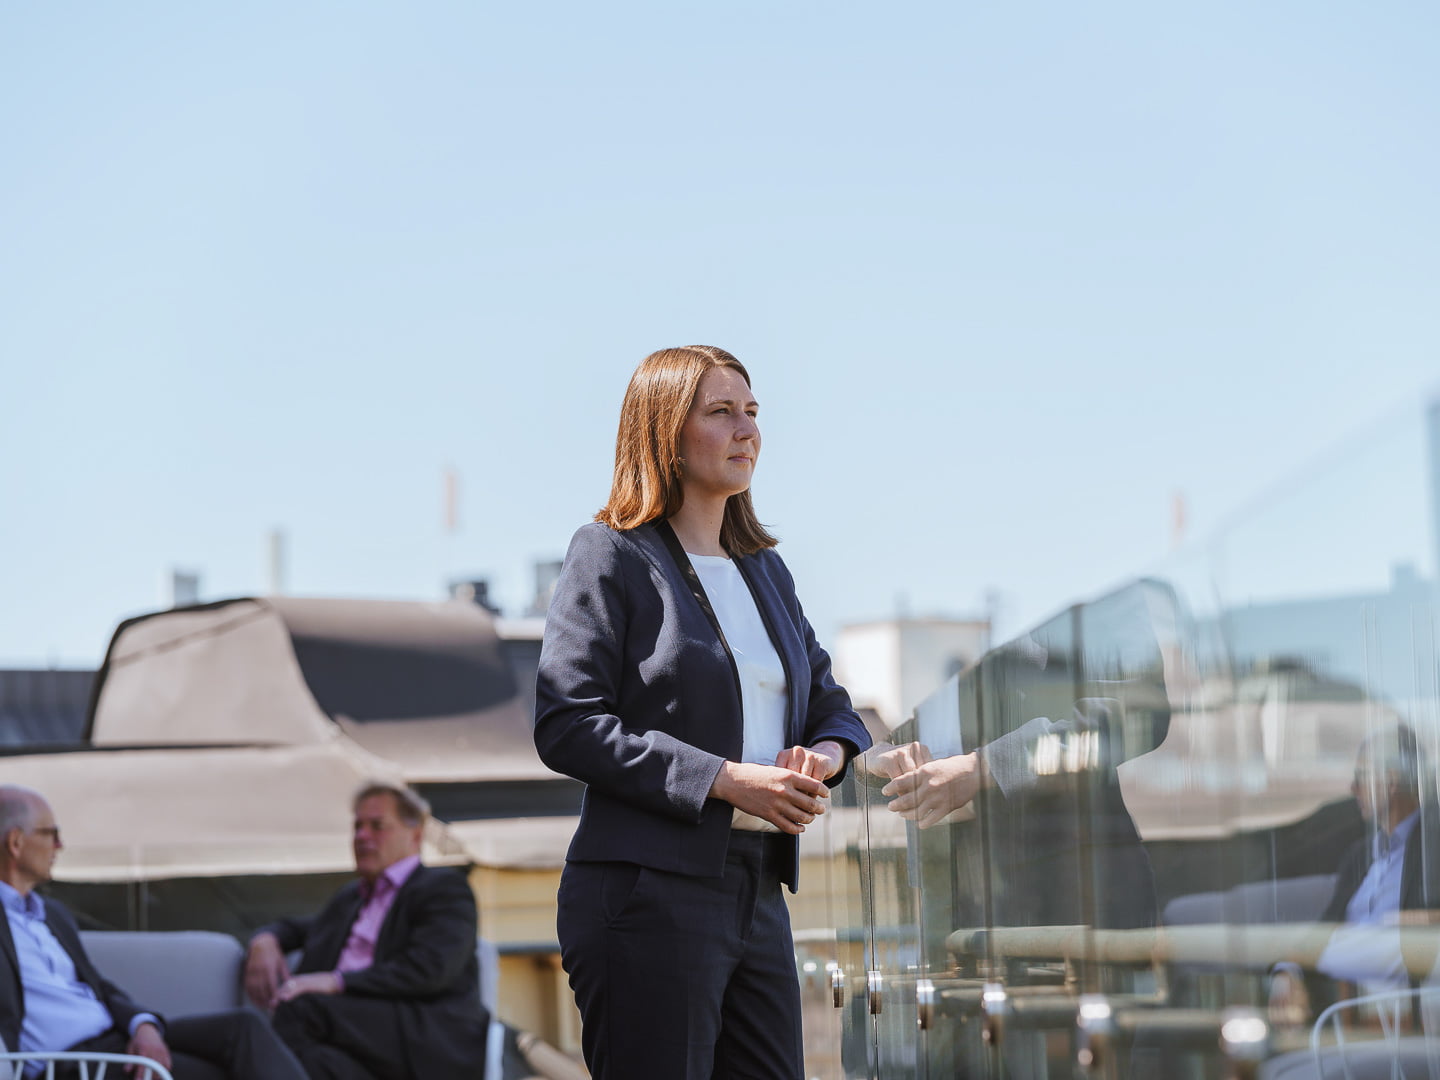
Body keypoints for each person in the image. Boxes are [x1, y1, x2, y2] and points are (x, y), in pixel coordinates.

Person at [533, 345, 872, 1080]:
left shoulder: (765, 571)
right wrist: (724, 779)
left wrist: (823, 757)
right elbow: (566, 723)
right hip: (646, 892)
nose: (746, 430)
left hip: (757, 889)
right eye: (721, 412)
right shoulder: (610, 554)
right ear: (664, 431)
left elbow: (836, 709)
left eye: (752, 413)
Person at [0, 784, 305, 1080]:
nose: (59, 845)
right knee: (221, 1072)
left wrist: (142, 1025)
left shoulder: (52, 915)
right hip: (77, 1064)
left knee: (243, 1029)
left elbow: (100, 988)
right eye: (51, 833)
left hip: (116, 1038)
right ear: (15, 842)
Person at [244, 782, 488, 1079]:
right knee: (314, 1061)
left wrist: (335, 982)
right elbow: (299, 928)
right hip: (354, 1036)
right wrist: (265, 940)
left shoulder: (443, 888)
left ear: (416, 835)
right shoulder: (352, 898)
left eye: (377, 826)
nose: (362, 836)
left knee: (298, 1009)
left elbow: (430, 969)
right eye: (357, 826)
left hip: (417, 1033)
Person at [1269, 725, 1440, 1024]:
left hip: (1405, 1019)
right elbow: (1325, 929)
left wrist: (1316, 956)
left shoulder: (1432, 842)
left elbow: (1411, 939)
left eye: (1360, 777)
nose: (1352, 789)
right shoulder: (1360, 855)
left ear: (1390, 780)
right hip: (1345, 1011)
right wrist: (1288, 970)